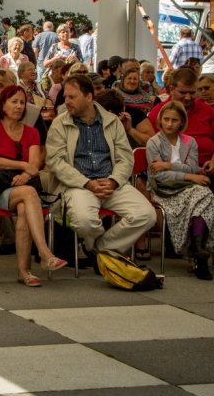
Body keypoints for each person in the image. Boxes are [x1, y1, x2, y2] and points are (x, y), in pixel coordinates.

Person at [46, 74, 156, 263]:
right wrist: (86, 183)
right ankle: (103, 251)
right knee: (84, 221)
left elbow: (125, 158)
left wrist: (113, 181)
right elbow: (56, 162)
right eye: (65, 97)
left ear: (89, 97)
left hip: (111, 182)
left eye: (72, 97)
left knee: (146, 215)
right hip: (78, 185)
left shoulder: (112, 121)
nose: (67, 101)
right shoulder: (60, 123)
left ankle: (99, 248)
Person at [0, 85, 66, 286]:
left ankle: (24, 272)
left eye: (22, 102)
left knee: (25, 208)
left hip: (23, 188)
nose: (18, 106)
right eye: (14, 101)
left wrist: (26, 175)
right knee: (29, 194)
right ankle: (44, 253)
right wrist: (23, 166)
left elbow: (35, 164)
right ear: (3, 104)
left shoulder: (32, 132)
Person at [146, 101, 214, 280]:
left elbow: (193, 167)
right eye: (166, 119)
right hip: (165, 190)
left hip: (187, 188)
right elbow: (159, 177)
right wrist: (188, 176)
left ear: (182, 122)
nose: (170, 124)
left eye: (174, 120)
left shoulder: (190, 141)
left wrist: (169, 165)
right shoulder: (153, 143)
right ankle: (198, 251)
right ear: (160, 120)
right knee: (201, 195)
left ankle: (198, 247)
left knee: (205, 195)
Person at [147, 67, 214, 170]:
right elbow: (151, 147)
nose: (188, 97)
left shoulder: (207, 110)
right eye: (182, 92)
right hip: (171, 172)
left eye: (192, 93)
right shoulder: (158, 112)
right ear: (172, 89)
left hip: (208, 169)